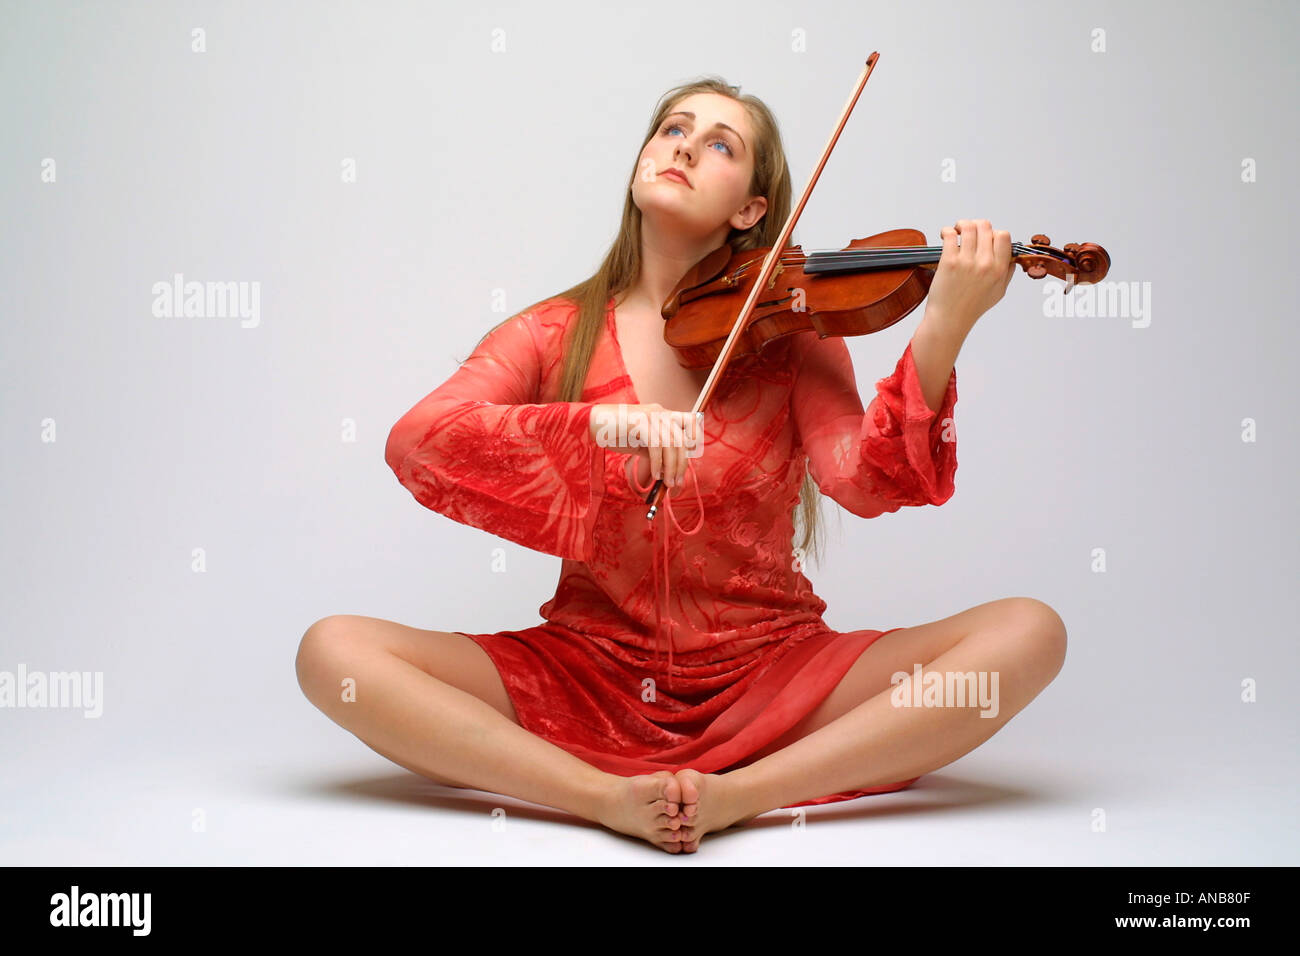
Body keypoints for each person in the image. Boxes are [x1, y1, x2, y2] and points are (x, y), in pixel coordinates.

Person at [295, 76, 1068, 855]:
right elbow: (420, 440)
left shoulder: (794, 333)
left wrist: (943, 328)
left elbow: (862, 483)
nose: (685, 148)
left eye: (720, 145)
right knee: (333, 650)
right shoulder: (551, 331)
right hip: (586, 673)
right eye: (672, 130)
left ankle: (743, 794)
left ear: (751, 211)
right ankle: (601, 797)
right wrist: (603, 425)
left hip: (772, 672)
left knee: (1029, 633)